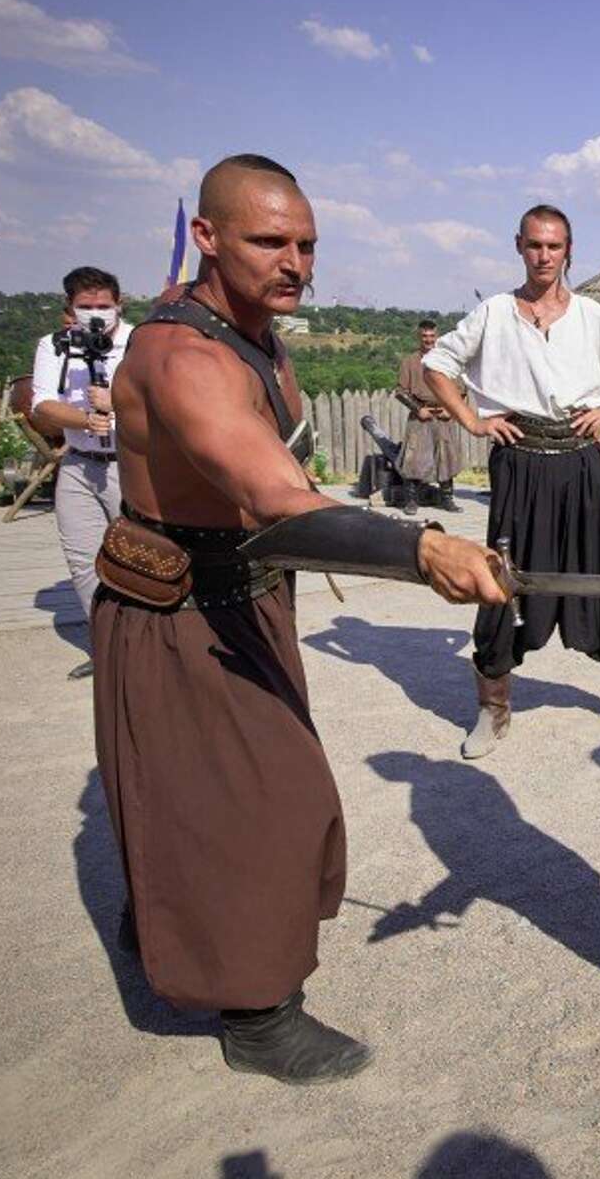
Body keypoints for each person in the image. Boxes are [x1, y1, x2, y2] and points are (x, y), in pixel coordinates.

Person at [99, 153, 506, 1083]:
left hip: (246, 594)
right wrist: (421, 548)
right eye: (269, 241)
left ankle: (160, 919)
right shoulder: (186, 357)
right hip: (179, 611)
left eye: (307, 244)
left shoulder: (252, 331)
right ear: (207, 237)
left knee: (214, 796)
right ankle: (258, 1015)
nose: (294, 262)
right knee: (259, 809)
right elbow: (272, 495)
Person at [422, 205, 600, 757]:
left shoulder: (594, 316)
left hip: (582, 461)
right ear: (519, 246)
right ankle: (493, 709)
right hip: (520, 462)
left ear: (568, 251)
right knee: (502, 579)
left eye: (554, 246)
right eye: (535, 245)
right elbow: (438, 366)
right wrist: (472, 420)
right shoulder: (493, 314)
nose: (544, 256)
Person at [29, 266, 132, 680]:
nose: (96, 313)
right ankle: (108, 649)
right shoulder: (55, 346)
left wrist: (116, 402)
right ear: (70, 309)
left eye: (103, 305)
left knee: (140, 557)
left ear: (118, 305)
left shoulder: (140, 342)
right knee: (84, 561)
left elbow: (161, 401)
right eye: (86, 306)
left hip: (130, 462)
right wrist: (85, 419)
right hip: (79, 460)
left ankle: (147, 647)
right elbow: (41, 405)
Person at [395, 318, 461, 511]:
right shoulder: (410, 361)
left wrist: (451, 410)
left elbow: (461, 391)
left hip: (443, 414)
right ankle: (411, 501)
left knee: (446, 457)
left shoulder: (447, 361)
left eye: (432, 336)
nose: (428, 339)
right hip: (420, 414)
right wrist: (418, 410)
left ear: (437, 336)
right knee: (414, 458)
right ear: (419, 337)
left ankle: (447, 499)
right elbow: (401, 392)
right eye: (425, 336)